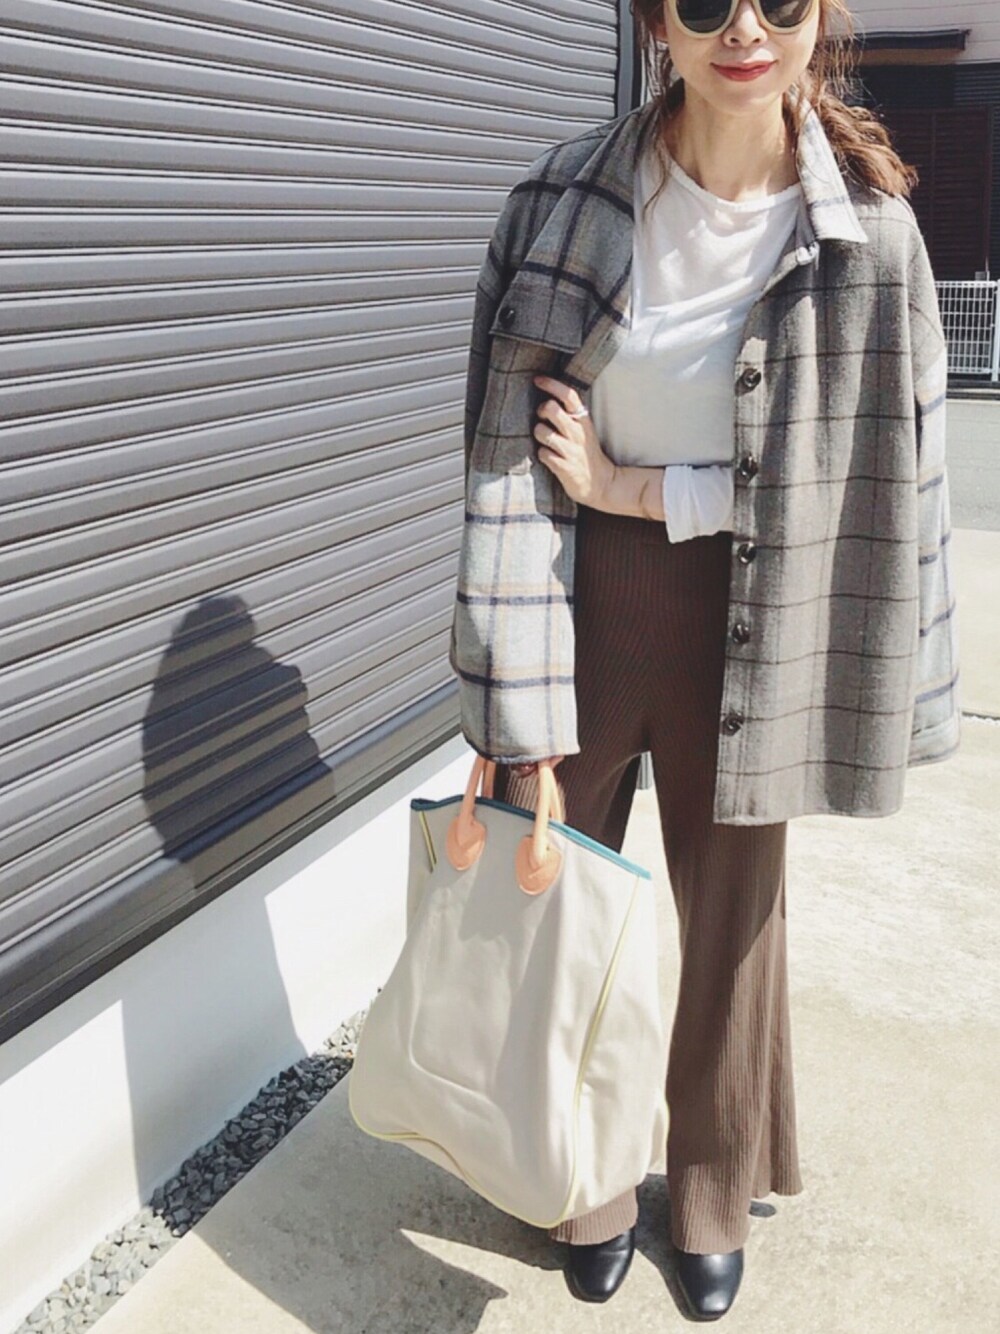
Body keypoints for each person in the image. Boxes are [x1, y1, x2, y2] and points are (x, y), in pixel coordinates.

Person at [449, 0, 960, 1320]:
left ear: (820, 19)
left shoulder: (868, 237)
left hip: (760, 602)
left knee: (734, 918)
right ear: (654, 24)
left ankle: (715, 1182)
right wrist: (506, 655)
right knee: (555, 891)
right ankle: (582, 1179)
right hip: (577, 596)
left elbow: (867, 472)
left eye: (779, 1)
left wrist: (631, 486)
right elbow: (498, 447)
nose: (743, 29)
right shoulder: (562, 200)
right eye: (702, 2)